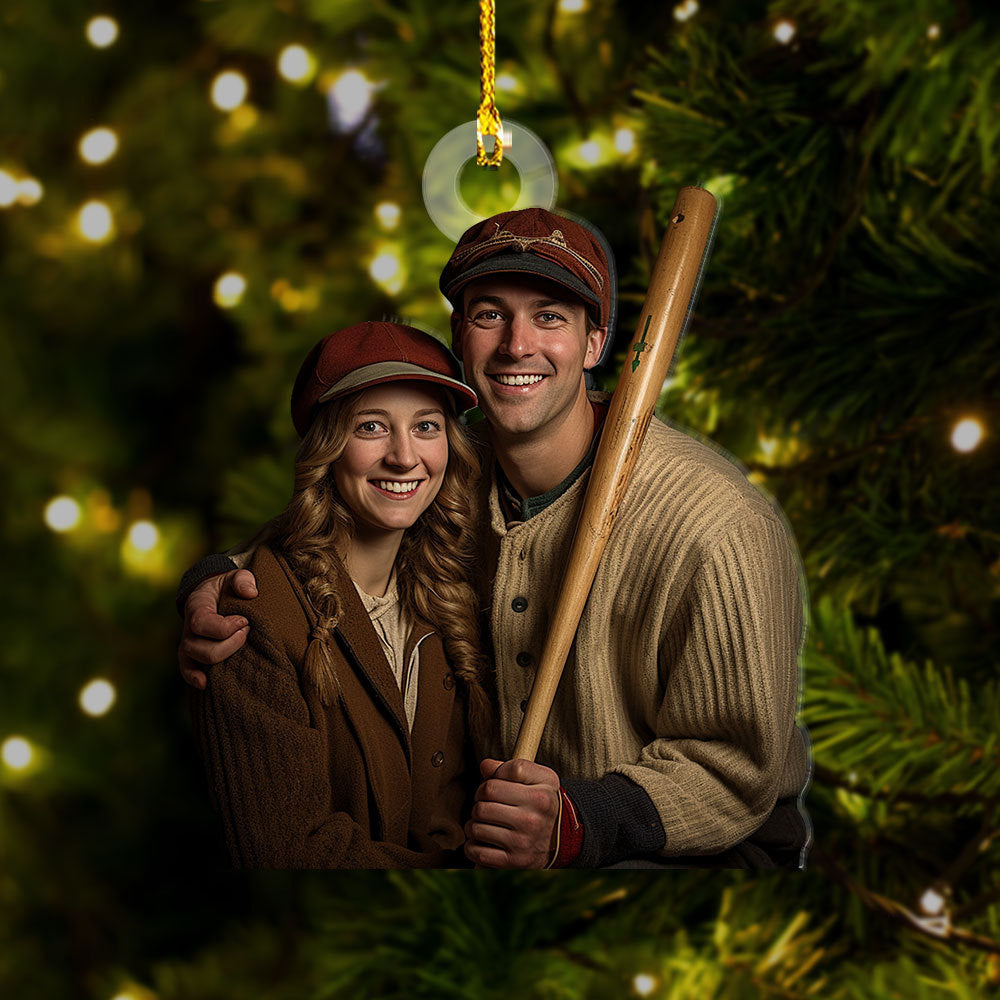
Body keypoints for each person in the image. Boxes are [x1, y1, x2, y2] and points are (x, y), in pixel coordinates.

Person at [179, 209, 811, 869]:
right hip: (501, 848)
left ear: (595, 343)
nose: (516, 345)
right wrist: (219, 578)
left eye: (550, 316)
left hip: (675, 852)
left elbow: (737, 770)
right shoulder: (444, 478)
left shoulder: (715, 526)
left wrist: (576, 822)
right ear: (460, 337)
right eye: (489, 315)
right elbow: (329, 527)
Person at [186, 320, 492, 869]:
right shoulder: (254, 615)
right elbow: (284, 854)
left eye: (426, 426)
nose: (404, 457)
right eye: (371, 427)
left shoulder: (451, 594)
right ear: (326, 449)